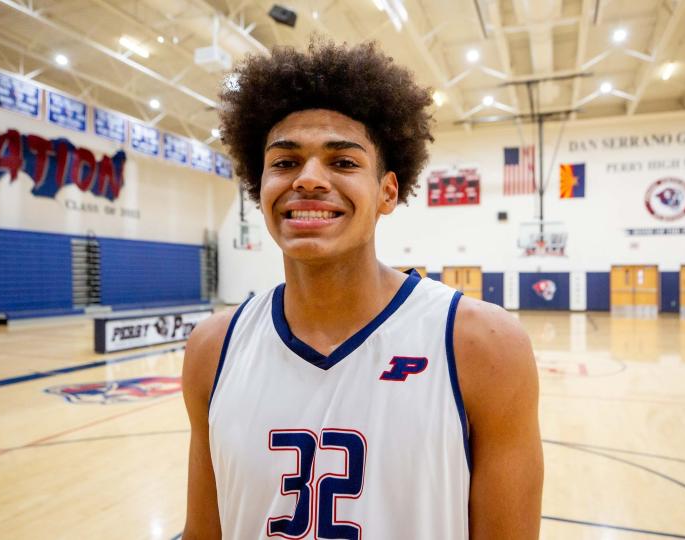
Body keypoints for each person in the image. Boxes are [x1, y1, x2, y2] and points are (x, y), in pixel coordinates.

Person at [182, 40, 543, 539]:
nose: (308, 180)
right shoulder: (212, 349)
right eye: (285, 163)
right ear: (258, 186)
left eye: (344, 163)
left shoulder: (484, 344)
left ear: (388, 192)